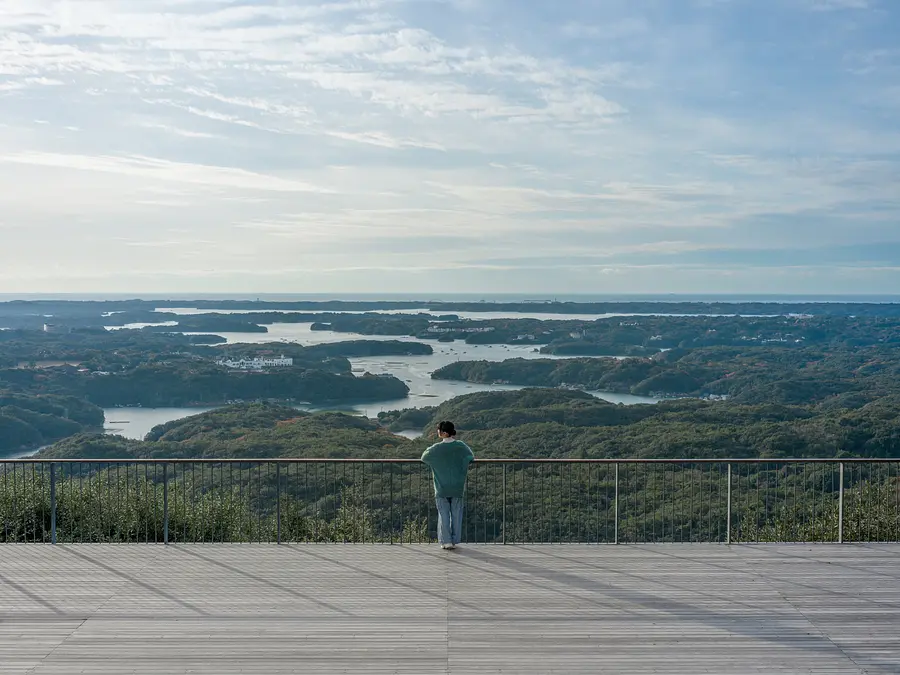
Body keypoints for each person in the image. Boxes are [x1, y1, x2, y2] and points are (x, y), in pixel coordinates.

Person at [421, 420, 474, 550]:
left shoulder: (436, 448)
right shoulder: (461, 446)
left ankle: (446, 541)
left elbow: (424, 457)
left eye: (438, 430)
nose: (437, 432)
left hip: (441, 486)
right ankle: (455, 539)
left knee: (443, 514)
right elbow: (470, 457)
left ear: (444, 433)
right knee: (456, 514)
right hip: (457, 486)